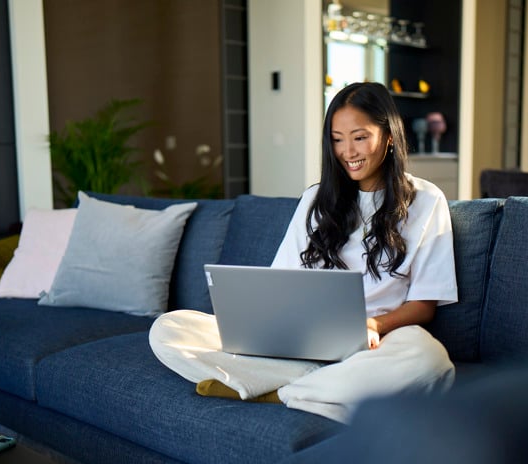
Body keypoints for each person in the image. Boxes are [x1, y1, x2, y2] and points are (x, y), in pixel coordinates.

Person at [149, 82, 458, 423]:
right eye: (337, 139)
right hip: (300, 341)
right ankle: (323, 391)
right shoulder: (314, 200)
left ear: (388, 136)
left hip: (376, 344)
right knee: (170, 328)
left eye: (359, 137)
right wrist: (270, 328)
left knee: (430, 360)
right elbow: (280, 282)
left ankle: (275, 391)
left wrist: (370, 323)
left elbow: (424, 305)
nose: (348, 152)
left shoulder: (427, 201)